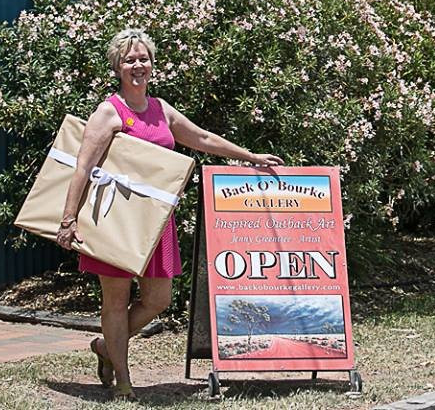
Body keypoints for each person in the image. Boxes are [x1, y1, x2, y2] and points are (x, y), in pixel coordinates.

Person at [55, 28, 282, 399]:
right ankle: (124, 383)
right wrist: (68, 220)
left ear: (152, 64)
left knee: (158, 300)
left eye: (143, 59)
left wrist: (250, 156)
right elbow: (82, 167)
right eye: (129, 60)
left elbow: (202, 138)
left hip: (156, 221)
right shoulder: (109, 111)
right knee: (115, 302)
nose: (137, 65)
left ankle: (106, 346)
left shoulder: (161, 109)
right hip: (114, 219)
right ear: (117, 67)